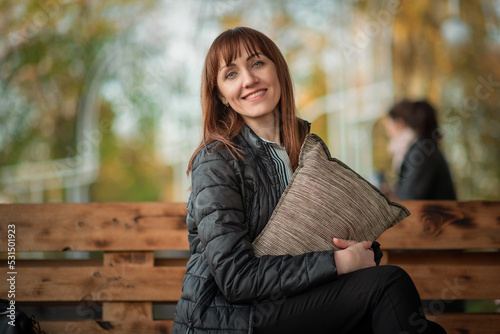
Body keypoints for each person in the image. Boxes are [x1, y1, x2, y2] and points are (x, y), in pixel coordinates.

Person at [172, 27, 446, 334]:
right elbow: (237, 279)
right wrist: (338, 263)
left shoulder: (306, 151)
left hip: (291, 303)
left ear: (278, 69)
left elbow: (339, 241)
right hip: (227, 319)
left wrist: (360, 251)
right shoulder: (216, 160)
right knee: (389, 285)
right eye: (231, 74)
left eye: (257, 63)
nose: (249, 79)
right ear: (221, 95)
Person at [384, 99, 457, 200]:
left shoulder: (422, 152)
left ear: (399, 123)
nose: (388, 133)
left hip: (434, 215)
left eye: (388, 128)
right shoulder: (421, 149)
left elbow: (409, 198)